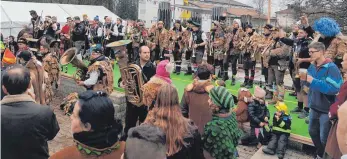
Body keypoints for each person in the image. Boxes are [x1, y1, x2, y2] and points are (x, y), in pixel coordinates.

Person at [1, 65, 60, 159]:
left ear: (4, 88)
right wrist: (34, 103)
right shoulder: (44, 111)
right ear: (29, 85)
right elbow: (51, 134)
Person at [50, 91, 124, 159]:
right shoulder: (126, 150)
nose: (71, 117)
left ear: (87, 126)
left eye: (75, 115)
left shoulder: (64, 156)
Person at [302, 42, 342, 159]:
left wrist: (312, 81)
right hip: (314, 105)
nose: (310, 54)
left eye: (312, 52)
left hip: (326, 108)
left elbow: (333, 89)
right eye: (309, 52)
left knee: (324, 137)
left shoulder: (332, 68)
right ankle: (320, 153)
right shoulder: (312, 66)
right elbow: (309, 83)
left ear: (321, 52)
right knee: (312, 132)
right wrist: (304, 81)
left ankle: (322, 155)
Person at [144, 84, 204, 159]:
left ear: (158, 100)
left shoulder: (147, 127)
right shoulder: (190, 128)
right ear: (177, 101)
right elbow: (198, 155)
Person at [280, 17, 314, 120]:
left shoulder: (309, 42)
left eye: (301, 33)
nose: (298, 34)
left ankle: (306, 110)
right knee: (298, 88)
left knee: (305, 90)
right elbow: (284, 39)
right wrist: (280, 30)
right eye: (298, 33)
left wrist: (302, 60)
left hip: (305, 69)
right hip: (295, 69)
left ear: (306, 34)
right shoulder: (296, 42)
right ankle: (299, 107)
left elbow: (313, 57)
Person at [122, 45, 156, 140]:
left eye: (148, 52)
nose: (147, 55)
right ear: (140, 54)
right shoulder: (132, 65)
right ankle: (126, 140)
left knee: (144, 124)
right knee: (129, 123)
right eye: (145, 53)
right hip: (132, 101)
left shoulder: (153, 68)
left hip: (145, 102)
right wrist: (121, 83)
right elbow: (123, 79)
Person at [203, 86, 242, 159]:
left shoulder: (214, 126)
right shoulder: (232, 115)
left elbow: (206, 149)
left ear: (217, 104)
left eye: (211, 99)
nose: (208, 101)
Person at [325, 48, 347, 159]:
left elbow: (341, 104)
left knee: (334, 151)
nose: (342, 63)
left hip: (341, 122)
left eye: (344, 60)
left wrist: (332, 113)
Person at [181, 63, 214, 134]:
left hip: (191, 131)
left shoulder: (188, 90)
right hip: (209, 133)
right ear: (210, 77)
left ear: (197, 75)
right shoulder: (215, 92)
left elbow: (183, 111)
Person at [264, 27, 291, 104]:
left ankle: (280, 99)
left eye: (275, 33)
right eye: (272, 33)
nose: (273, 34)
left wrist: (271, 52)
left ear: (280, 33)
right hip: (271, 64)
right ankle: (274, 98)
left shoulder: (284, 41)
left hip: (279, 64)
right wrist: (267, 60)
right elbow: (270, 51)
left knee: (279, 83)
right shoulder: (273, 41)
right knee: (273, 83)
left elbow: (283, 52)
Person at [223, 19, 244, 85]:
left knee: (233, 65)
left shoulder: (241, 31)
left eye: (236, 23)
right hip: (228, 49)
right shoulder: (231, 30)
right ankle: (225, 75)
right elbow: (226, 36)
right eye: (234, 23)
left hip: (235, 50)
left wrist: (236, 44)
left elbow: (241, 41)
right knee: (225, 62)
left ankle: (233, 78)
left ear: (238, 24)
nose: (234, 24)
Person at [240, 24, 261, 88]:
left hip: (252, 54)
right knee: (246, 68)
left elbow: (257, 45)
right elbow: (243, 42)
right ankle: (245, 81)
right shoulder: (246, 35)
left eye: (247, 29)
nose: (246, 30)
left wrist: (251, 46)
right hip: (246, 53)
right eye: (246, 29)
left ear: (250, 28)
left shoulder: (256, 35)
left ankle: (250, 83)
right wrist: (242, 44)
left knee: (252, 69)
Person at [258, 24, 273, 89]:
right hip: (263, 57)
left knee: (269, 73)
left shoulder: (272, 37)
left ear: (269, 30)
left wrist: (262, 45)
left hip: (269, 58)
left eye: (266, 29)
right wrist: (261, 45)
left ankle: (269, 87)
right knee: (264, 72)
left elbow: (269, 45)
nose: (264, 30)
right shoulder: (263, 36)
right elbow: (258, 43)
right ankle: (266, 84)